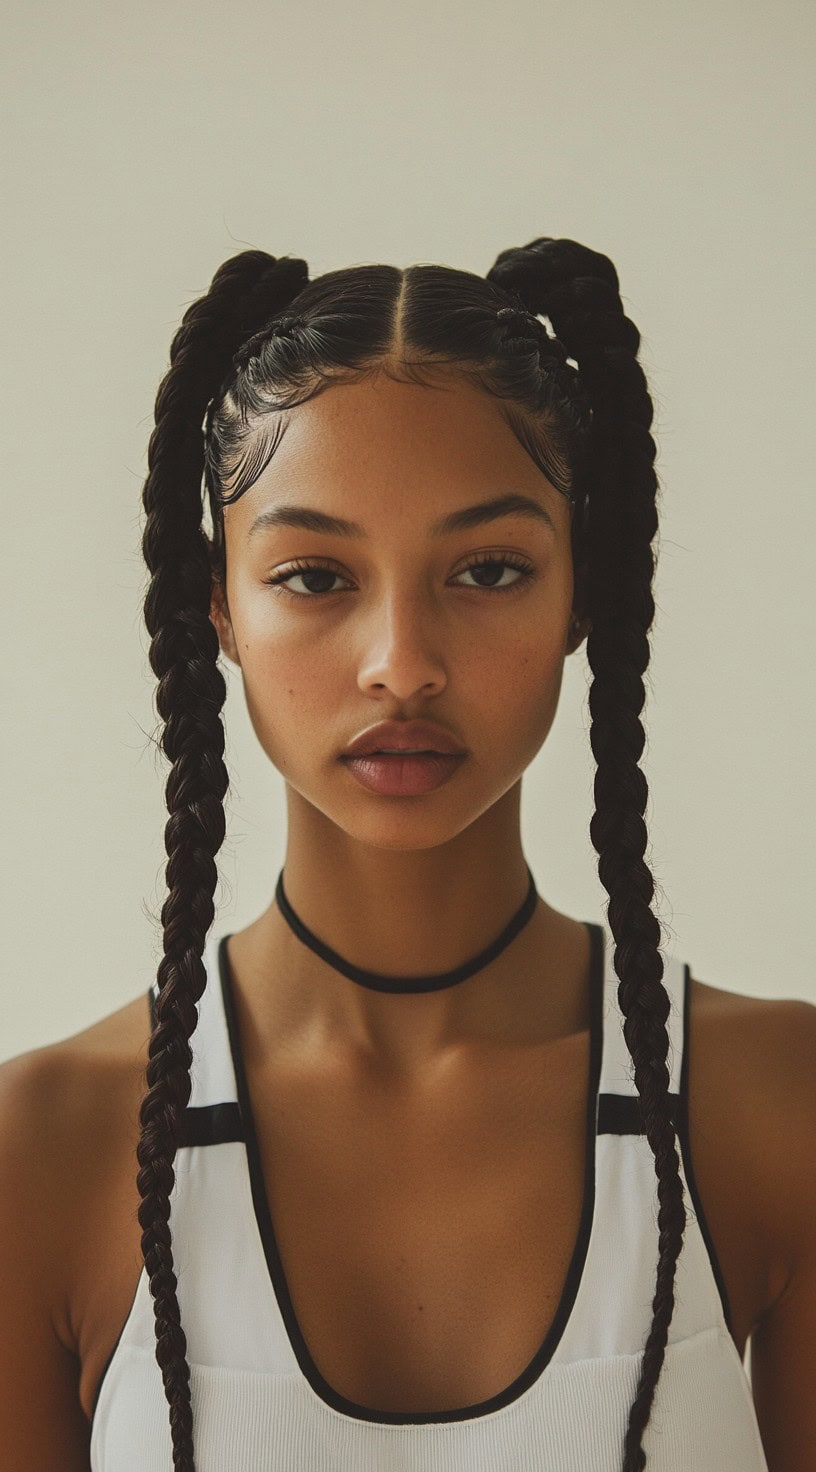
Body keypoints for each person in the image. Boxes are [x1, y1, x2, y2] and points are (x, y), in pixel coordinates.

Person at [1, 237, 813, 1472]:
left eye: (488, 569)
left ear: (581, 592)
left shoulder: (776, 1112)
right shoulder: (43, 1153)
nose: (401, 660)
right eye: (315, 574)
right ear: (217, 604)